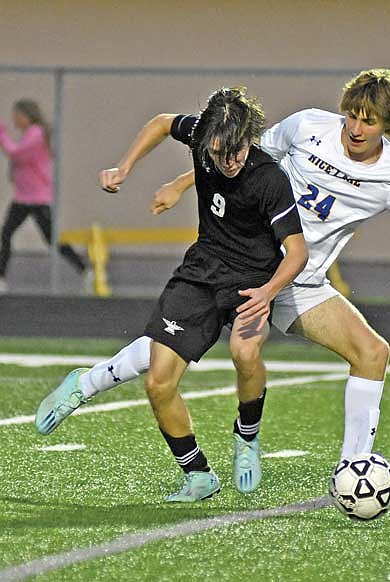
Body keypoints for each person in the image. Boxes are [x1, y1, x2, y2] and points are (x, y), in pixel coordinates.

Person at [35, 87, 308, 502]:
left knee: (245, 353)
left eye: (234, 152)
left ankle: (247, 437)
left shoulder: (269, 178)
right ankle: (198, 475)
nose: (227, 162)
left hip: (253, 278)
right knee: (159, 384)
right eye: (217, 153)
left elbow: (298, 253)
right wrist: (124, 167)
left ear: (249, 139)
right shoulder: (203, 136)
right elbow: (162, 122)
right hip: (201, 271)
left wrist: (269, 292)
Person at [0, 99, 89, 294]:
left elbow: (16, 153)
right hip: (22, 198)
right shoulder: (29, 134)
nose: (15, 120)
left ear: (27, 115)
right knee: (6, 233)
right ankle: (1, 277)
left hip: (38, 198)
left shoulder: (36, 133)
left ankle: (85, 270)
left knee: (52, 239)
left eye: (17, 116)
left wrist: (1, 133)